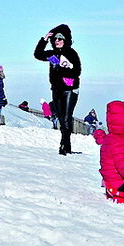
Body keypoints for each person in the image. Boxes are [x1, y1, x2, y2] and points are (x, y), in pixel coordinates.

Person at [34, 24, 81, 154]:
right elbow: (38, 54)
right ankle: (67, 144)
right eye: (55, 39)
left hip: (70, 90)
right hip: (56, 89)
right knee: (60, 118)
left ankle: (64, 144)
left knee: (66, 117)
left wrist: (62, 68)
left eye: (60, 39)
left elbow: (77, 71)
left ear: (65, 40)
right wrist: (44, 40)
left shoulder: (71, 53)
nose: (57, 41)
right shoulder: (52, 54)